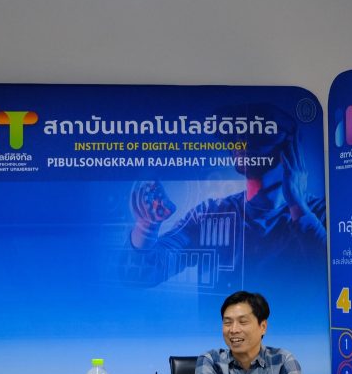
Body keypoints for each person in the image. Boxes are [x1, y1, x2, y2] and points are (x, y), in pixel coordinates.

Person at [120, 104, 326, 290]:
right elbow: (140, 276)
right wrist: (146, 227)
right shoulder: (209, 214)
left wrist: (299, 208)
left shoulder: (321, 213)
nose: (240, 142)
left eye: (258, 132)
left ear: (292, 147)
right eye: (235, 134)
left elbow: (330, 274)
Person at [194, 290, 309, 374]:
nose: (233, 330)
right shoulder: (210, 361)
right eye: (227, 322)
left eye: (243, 322)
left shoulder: (284, 360)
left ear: (263, 327)